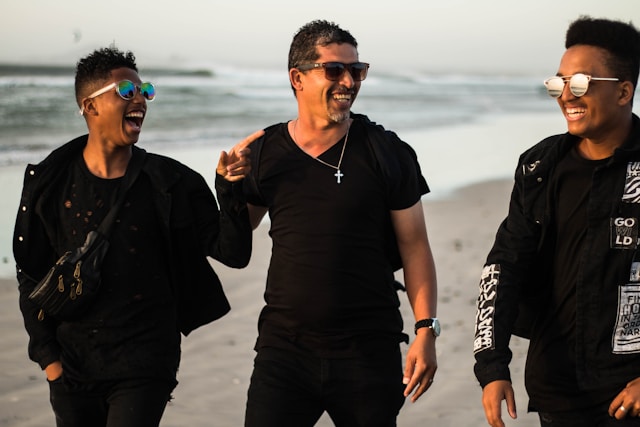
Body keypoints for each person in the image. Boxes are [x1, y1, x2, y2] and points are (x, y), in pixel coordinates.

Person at [13, 46, 259, 427]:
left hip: (146, 362)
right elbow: (30, 274)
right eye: (127, 92)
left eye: (145, 90)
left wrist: (229, 189)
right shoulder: (51, 183)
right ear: (89, 107)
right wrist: (50, 363)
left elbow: (234, 252)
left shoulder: (171, 182)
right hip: (73, 365)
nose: (141, 99)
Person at [235, 20, 438, 427]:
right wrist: (227, 187)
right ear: (298, 78)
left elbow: (415, 245)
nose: (349, 81)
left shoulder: (387, 152)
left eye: (356, 70)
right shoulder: (265, 153)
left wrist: (425, 331)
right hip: (284, 352)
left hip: (368, 350)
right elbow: (234, 241)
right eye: (334, 70)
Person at [473, 16, 640, 427]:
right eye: (558, 83)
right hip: (557, 390)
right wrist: (492, 366)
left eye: (581, 83)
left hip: (629, 393)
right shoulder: (539, 167)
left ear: (623, 92)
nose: (566, 95)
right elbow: (505, 263)